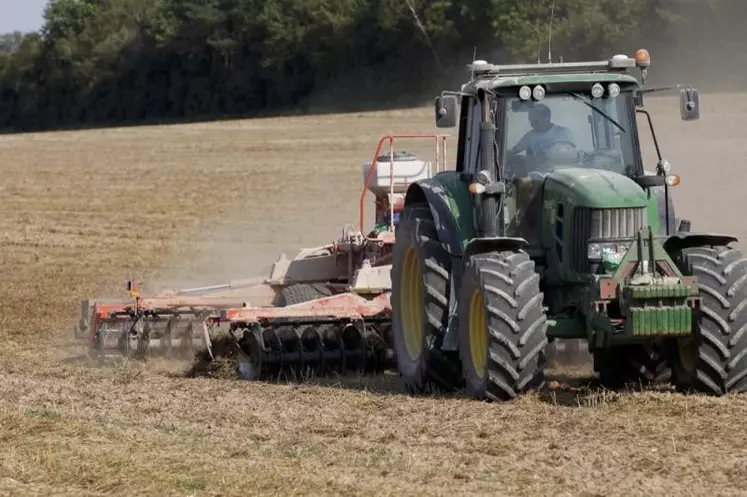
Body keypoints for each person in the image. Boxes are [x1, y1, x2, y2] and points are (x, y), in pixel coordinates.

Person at [509, 104, 575, 157]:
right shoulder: (530, 136)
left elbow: (573, 154)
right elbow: (513, 152)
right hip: (539, 172)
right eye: (531, 121)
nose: (531, 125)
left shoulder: (564, 133)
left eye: (535, 121)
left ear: (547, 118)